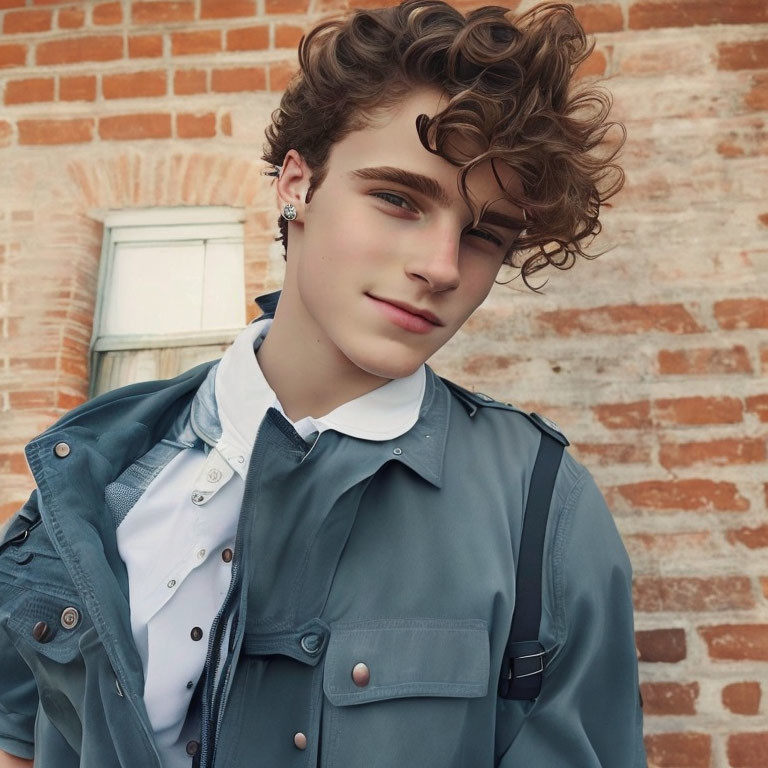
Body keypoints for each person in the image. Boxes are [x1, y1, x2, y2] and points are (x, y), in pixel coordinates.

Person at [0, 1, 646, 766]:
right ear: (298, 184)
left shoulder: (544, 507)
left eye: (482, 235)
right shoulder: (97, 456)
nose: (440, 266)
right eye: (400, 199)